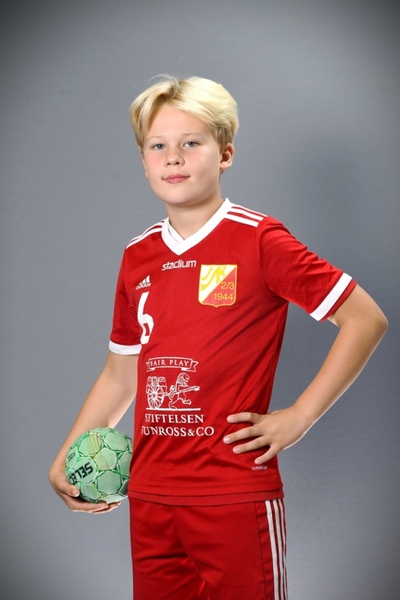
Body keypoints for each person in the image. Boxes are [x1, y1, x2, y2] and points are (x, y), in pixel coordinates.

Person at [49, 76, 388, 600]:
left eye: (191, 142)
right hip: (151, 493)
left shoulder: (258, 239)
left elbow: (366, 319)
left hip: (233, 492)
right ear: (143, 162)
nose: (173, 157)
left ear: (225, 153)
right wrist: (70, 451)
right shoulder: (138, 255)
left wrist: (299, 416)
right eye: (158, 146)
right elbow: (121, 374)